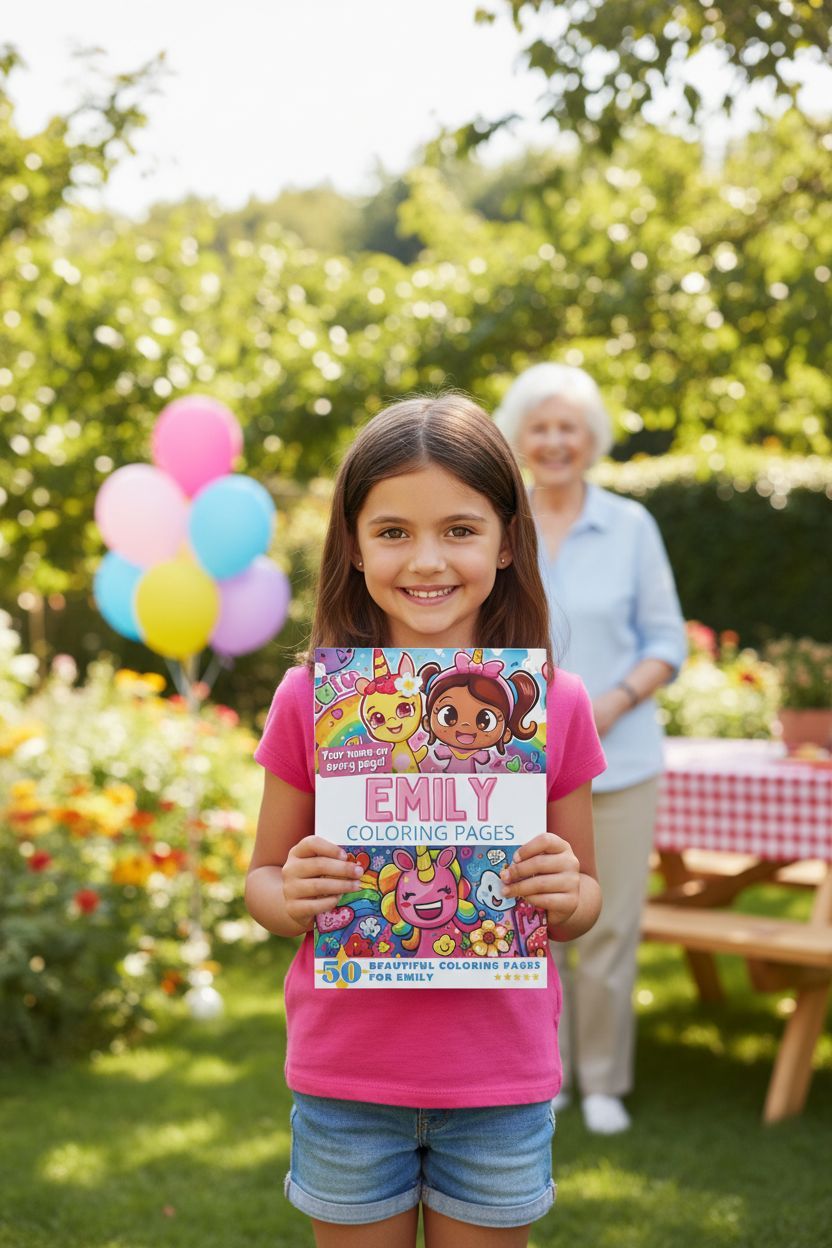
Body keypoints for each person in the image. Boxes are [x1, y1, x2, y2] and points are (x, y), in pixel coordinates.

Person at [245, 394, 606, 1248]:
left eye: (460, 529)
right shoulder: (312, 699)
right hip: (347, 1080)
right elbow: (261, 881)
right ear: (356, 546)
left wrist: (564, 888)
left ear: (506, 541)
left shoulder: (557, 704)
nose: (427, 559)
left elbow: (585, 902)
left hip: (499, 1085)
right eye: (394, 531)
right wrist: (289, 893)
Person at [495, 364, 687, 1136]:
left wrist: (607, 704)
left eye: (568, 426)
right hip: (512, 765)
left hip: (622, 759)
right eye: (540, 427)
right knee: (525, 917)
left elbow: (666, 642)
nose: (554, 441)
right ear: (520, 438)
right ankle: (547, 1074)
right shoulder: (501, 525)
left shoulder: (632, 525)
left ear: (592, 437)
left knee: (606, 928)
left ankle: (603, 1080)